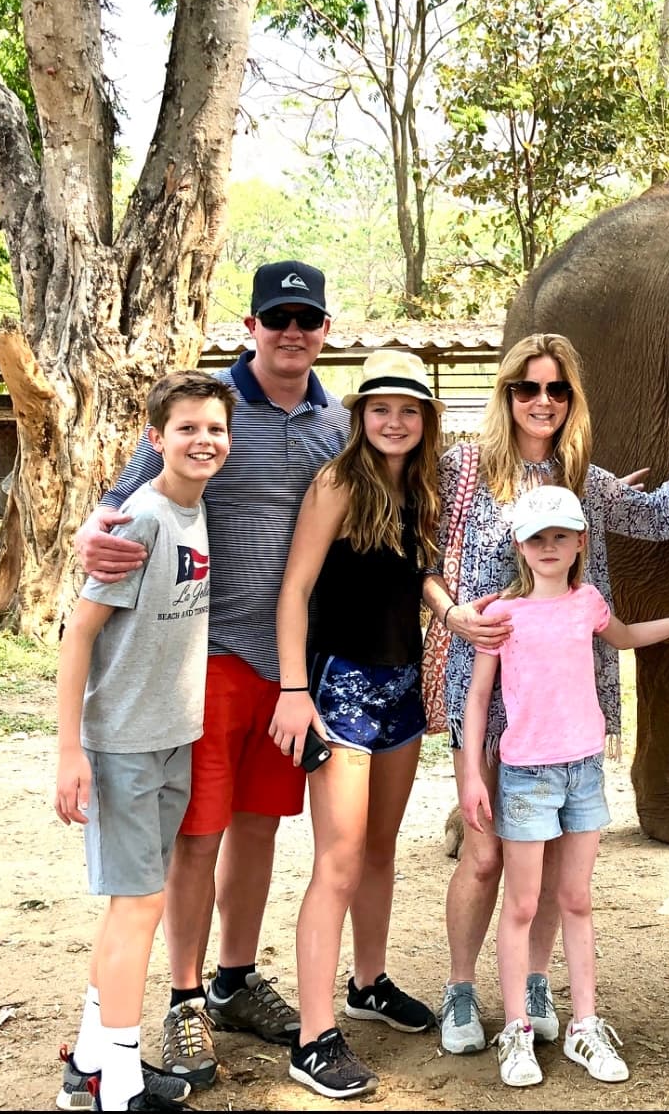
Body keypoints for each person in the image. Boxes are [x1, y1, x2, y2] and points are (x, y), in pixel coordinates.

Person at [74, 261, 349, 1089]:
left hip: (291, 665)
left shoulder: (336, 422)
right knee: (200, 832)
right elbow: (124, 495)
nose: (292, 333)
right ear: (252, 327)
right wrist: (92, 531)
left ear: (324, 331)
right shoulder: (209, 410)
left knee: (261, 823)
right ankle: (185, 997)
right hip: (211, 655)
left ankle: (233, 979)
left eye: (307, 320)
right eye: (278, 319)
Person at [422, 332, 669, 1054]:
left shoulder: (582, 479)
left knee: (557, 854)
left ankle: (532, 984)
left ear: (570, 401)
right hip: (488, 684)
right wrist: (450, 611)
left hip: (567, 694)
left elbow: (656, 518)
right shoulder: (463, 468)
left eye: (556, 390)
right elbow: (422, 561)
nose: (541, 401)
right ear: (506, 395)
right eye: (527, 388)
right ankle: (462, 987)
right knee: (487, 853)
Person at [459, 485, 669, 1087]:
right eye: (536, 537)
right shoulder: (500, 614)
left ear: (581, 542)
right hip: (527, 775)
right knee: (524, 903)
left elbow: (628, 637)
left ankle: (585, 1023)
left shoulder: (588, 602)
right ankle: (517, 1032)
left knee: (576, 899)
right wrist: (475, 776)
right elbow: (478, 697)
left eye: (560, 535)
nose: (548, 546)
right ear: (520, 546)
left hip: (583, 770)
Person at [55, 370, 236, 1111]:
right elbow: (78, 634)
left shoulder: (197, 512)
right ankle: (120, 1087)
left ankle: (89, 1067)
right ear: (155, 439)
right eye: (187, 428)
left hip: (173, 737)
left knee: (131, 904)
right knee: (139, 908)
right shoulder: (143, 518)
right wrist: (71, 752)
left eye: (216, 428)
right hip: (124, 743)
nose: (205, 441)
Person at [269, 351, 441, 1099]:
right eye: (380, 409)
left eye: (408, 410)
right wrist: (295, 689)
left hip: (402, 693)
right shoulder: (338, 483)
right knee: (336, 861)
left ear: (425, 420)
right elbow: (295, 590)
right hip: (338, 689)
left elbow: (418, 580)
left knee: (379, 847)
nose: (394, 422)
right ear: (359, 416)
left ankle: (367, 981)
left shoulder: (422, 491)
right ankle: (312, 1039)